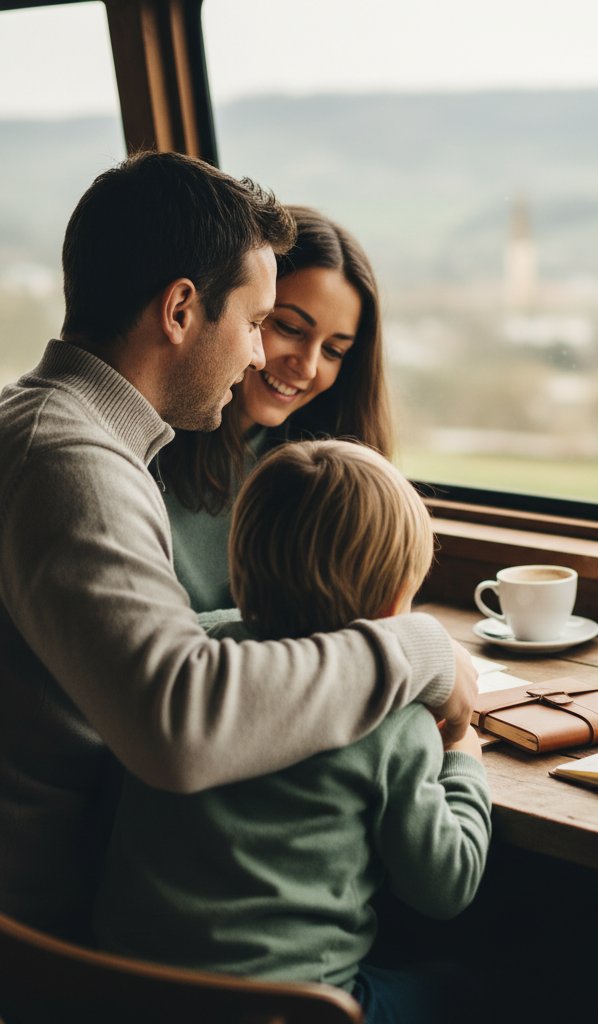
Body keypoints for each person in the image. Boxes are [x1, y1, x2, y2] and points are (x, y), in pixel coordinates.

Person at [0, 152, 476, 944]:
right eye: (258, 324)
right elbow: (180, 725)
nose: (261, 357)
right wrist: (416, 649)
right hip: (60, 947)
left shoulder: (60, 430)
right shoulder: (67, 460)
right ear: (181, 310)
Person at [94, 440, 491, 1024]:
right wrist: (462, 757)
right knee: (463, 990)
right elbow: (447, 883)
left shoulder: (196, 664)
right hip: (286, 1010)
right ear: (390, 612)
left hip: (125, 991)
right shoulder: (393, 724)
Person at [156, 206, 392, 613]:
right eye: (288, 328)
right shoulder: (142, 454)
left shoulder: (319, 472)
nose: (309, 366)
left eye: (334, 351)